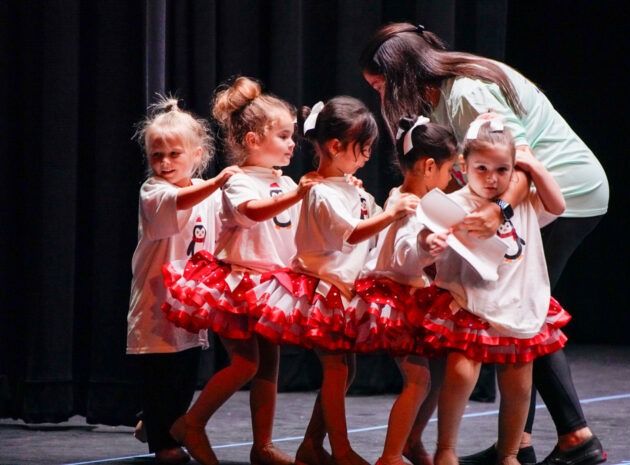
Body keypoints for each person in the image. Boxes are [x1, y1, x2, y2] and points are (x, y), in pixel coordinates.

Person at [360, 22, 609, 465]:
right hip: (531, 200)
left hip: (562, 195)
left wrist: (500, 212)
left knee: (524, 311)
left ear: (401, 74)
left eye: (381, 86)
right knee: (522, 313)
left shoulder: (467, 93)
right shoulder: (441, 97)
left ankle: (571, 437)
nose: (382, 97)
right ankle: (525, 444)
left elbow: (518, 163)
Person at [248, 96, 419, 465]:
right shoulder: (321, 192)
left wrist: (391, 205)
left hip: (342, 289)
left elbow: (369, 215)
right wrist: (392, 212)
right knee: (336, 367)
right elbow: (353, 233)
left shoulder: (347, 186)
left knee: (345, 367)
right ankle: (341, 451)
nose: (368, 156)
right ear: (335, 146)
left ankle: (312, 444)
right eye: (363, 149)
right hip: (320, 290)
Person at [161, 76, 322, 465]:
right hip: (237, 283)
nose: (291, 144)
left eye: (292, 136)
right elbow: (250, 214)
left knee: (269, 366)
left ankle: (261, 445)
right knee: (245, 363)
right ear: (253, 141)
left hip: (271, 285)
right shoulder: (238, 181)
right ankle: (192, 423)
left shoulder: (282, 181)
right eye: (283, 136)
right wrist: (296, 195)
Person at [420, 117, 568, 465]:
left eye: (503, 169)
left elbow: (558, 206)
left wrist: (532, 164)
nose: (491, 178)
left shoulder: (525, 201)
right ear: (463, 165)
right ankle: (446, 449)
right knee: (460, 372)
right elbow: (424, 235)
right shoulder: (454, 203)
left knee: (518, 385)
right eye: (481, 168)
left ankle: (510, 454)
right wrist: (431, 243)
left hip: (516, 303)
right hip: (473, 304)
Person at [126, 96, 240, 464]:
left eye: (174, 154)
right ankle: (162, 441)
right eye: (157, 156)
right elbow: (181, 200)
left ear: (197, 154)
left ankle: (160, 424)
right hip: (156, 303)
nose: (164, 163)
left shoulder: (206, 190)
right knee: (160, 372)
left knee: (184, 374)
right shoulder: (154, 191)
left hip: (191, 305)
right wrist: (221, 181)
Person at [350, 116, 459, 465]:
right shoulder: (413, 207)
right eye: (448, 170)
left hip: (407, 292)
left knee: (434, 375)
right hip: (395, 296)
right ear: (429, 166)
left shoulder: (408, 195)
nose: (450, 179)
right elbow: (403, 257)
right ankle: (391, 455)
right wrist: (428, 247)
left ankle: (410, 442)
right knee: (419, 378)